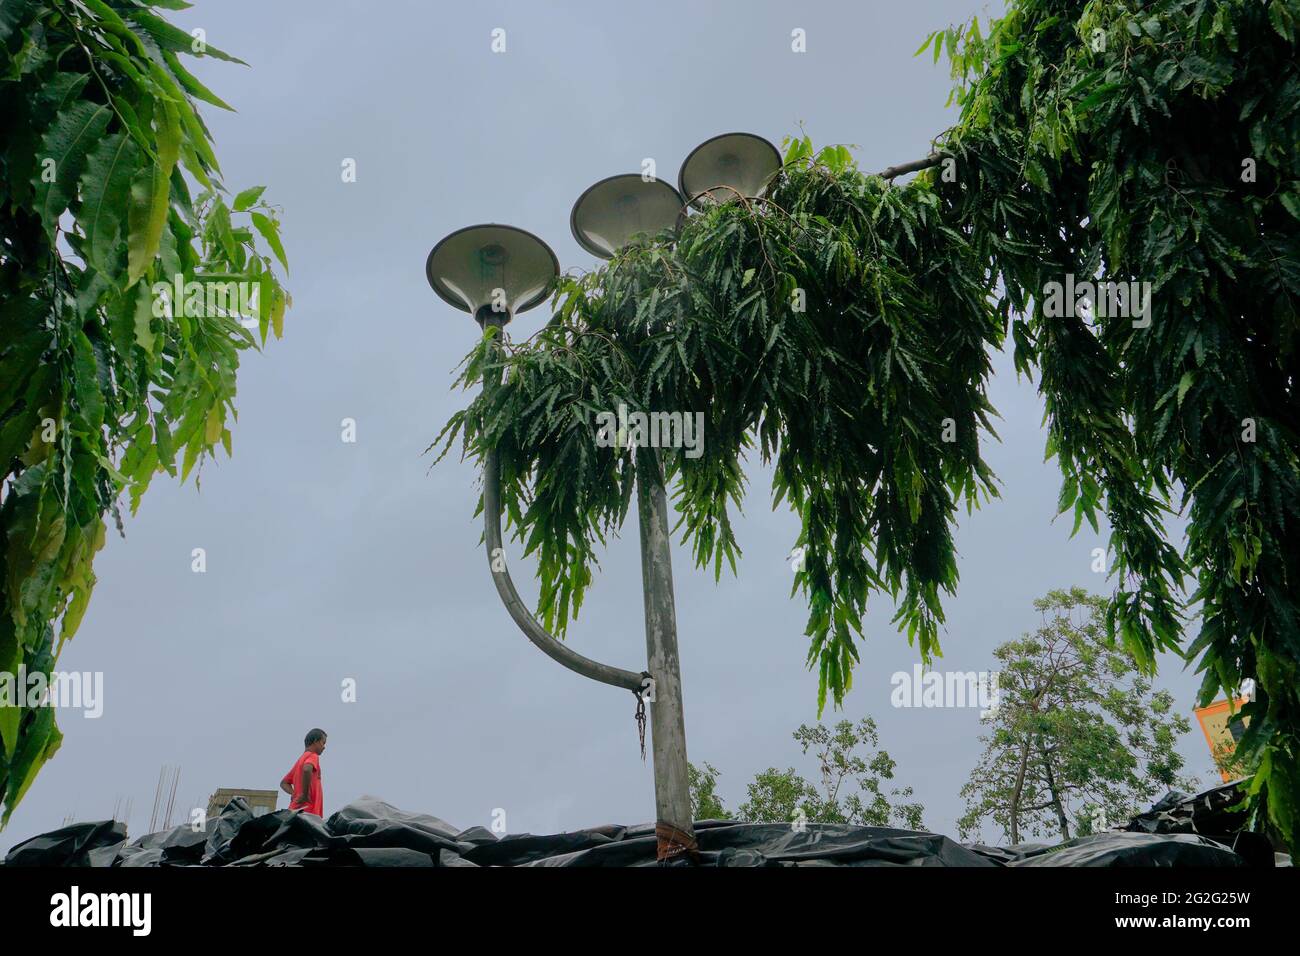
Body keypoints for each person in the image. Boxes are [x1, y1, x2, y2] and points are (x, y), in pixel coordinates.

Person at [280, 728, 326, 816]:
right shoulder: (313, 755)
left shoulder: (300, 761)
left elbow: (284, 783)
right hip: (308, 813)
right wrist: (304, 795)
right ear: (316, 741)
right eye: (323, 742)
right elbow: (307, 769)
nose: (324, 747)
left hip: (295, 812)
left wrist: (295, 794)